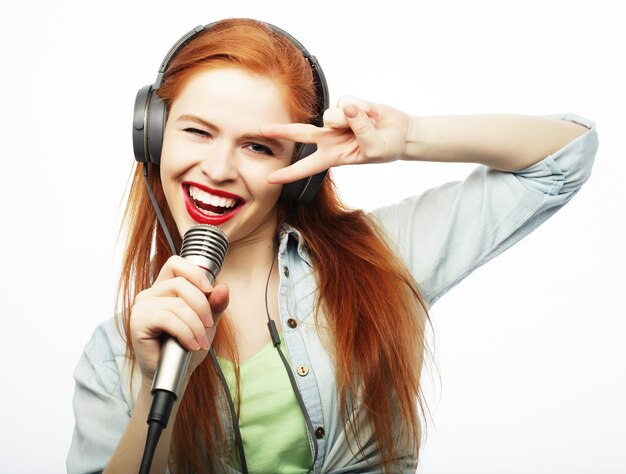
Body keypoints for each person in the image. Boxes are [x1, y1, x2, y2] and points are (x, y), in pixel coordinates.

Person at [67, 18, 598, 474]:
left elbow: (565, 156)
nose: (220, 170)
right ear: (153, 136)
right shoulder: (116, 354)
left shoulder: (382, 258)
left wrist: (409, 136)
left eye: (257, 146)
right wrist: (153, 392)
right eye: (198, 132)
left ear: (298, 171)